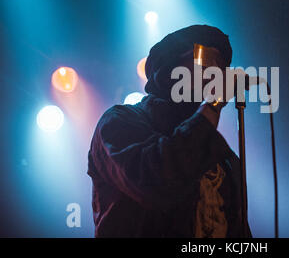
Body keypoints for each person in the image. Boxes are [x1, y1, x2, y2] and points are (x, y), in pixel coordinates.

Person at [87, 25, 252, 237]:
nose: (216, 72)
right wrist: (213, 104)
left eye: (221, 65)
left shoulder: (225, 158)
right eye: (205, 59)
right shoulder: (119, 122)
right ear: (169, 71)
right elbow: (155, 183)